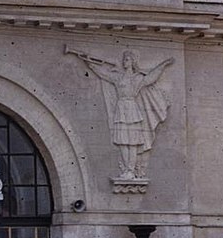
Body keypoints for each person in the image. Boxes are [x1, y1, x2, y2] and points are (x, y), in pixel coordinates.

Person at [68, 46, 174, 180]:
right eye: (124, 59)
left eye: (127, 59)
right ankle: (126, 169)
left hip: (132, 109)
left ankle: (131, 169)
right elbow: (103, 74)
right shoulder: (118, 77)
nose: (124, 61)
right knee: (123, 141)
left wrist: (163, 65)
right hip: (121, 109)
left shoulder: (138, 78)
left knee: (133, 142)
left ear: (133, 61)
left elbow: (152, 77)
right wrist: (89, 63)